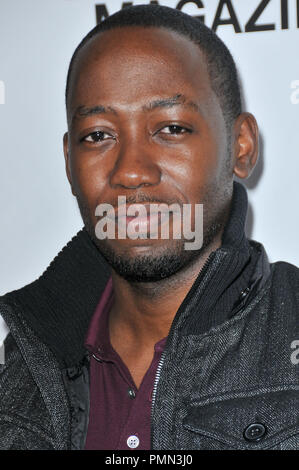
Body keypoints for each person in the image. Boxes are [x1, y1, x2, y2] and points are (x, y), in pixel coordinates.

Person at [0, 4, 298, 451]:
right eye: (98, 135)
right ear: (68, 163)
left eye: (171, 128)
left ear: (242, 147)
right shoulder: (23, 371)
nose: (131, 171)